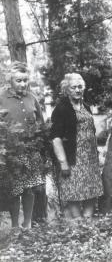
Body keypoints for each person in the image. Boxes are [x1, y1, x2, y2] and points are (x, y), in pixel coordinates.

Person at [0, 62, 47, 228]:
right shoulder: (1, 97)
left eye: (25, 80)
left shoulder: (32, 97)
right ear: (10, 81)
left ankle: (27, 225)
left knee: (29, 189)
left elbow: (41, 123)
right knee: (14, 191)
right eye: (18, 80)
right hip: (11, 152)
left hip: (31, 150)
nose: (23, 84)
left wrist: (42, 148)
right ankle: (14, 226)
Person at [50, 73, 103, 218]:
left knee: (91, 193)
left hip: (90, 160)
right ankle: (78, 226)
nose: (78, 90)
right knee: (73, 194)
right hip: (73, 159)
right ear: (67, 90)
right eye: (74, 87)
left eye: (80, 87)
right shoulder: (61, 109)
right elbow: (55, 138)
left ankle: (87, 222)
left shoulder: (85, 106)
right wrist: (63, 163)